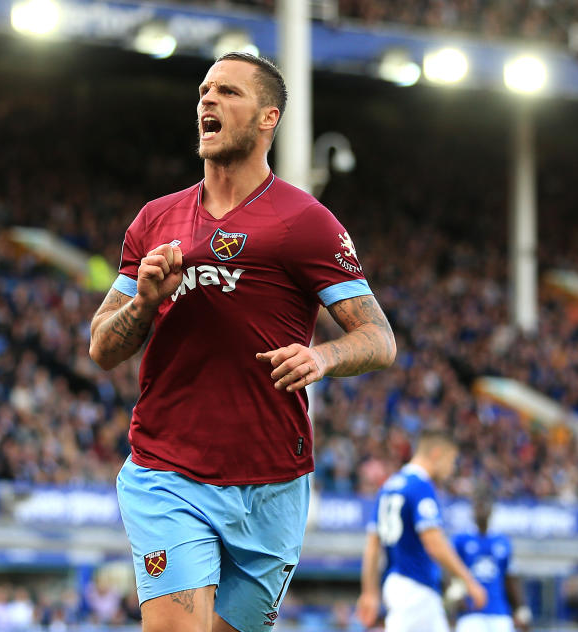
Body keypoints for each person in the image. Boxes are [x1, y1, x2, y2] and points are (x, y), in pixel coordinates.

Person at [89, 51, 397, 632]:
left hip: (273, 486)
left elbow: (379, 338)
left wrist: (323, 355)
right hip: (168, 471)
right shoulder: (156, 221)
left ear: (267, 119)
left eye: (228, 92)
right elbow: (102, 346)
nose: (207, 99)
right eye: (204, 90)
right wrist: (146, 302)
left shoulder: (305, 222)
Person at [356, 430, 488, 632]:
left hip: (400, 584)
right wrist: (469, 581)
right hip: (415, 587)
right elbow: (434, 543)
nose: (451, 468)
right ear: (436, 453)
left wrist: (369, 592)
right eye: (451, 460)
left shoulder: (389, 486)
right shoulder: (420, 486)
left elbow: (373, 546)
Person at [452, 497, 531, 632]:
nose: (481, 511)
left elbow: (510, 578)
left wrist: (520, 608)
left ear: (492, 510)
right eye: (478, 506)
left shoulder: (503, 541)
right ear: (472, 510)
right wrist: (454, 595)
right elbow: (449, 571)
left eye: (485, 506)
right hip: (470, 612)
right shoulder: (461, 540)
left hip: (499, 612)